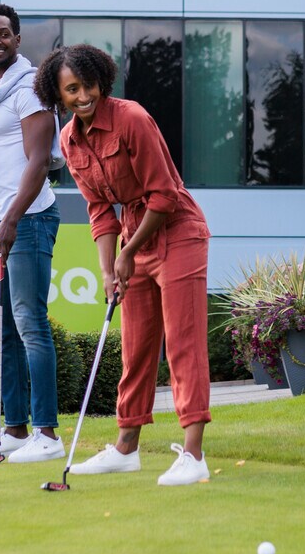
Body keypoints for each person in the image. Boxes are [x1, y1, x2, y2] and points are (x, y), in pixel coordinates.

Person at [35, 44, 213, 486]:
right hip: (135, 235)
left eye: (88, 85)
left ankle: (194, 455)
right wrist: (108, 269)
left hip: (177, 230)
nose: (83, 96)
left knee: (183, 343)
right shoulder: (69, 140)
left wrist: (127, 253)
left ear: (101, 81)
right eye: (71, 90)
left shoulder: (131, 118)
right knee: (136, 348)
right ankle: (126, 449)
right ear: (58, 96)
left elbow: (164, 195)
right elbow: (99, 211)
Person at [0, 3, 64, 465]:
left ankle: (47, 434)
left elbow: (38, 163)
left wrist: (12, 220)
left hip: (30, 220)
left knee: (30, 323)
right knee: (2, 328)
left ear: (17, 40)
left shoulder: (30, 88)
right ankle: (15, 430)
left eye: (3, 33)